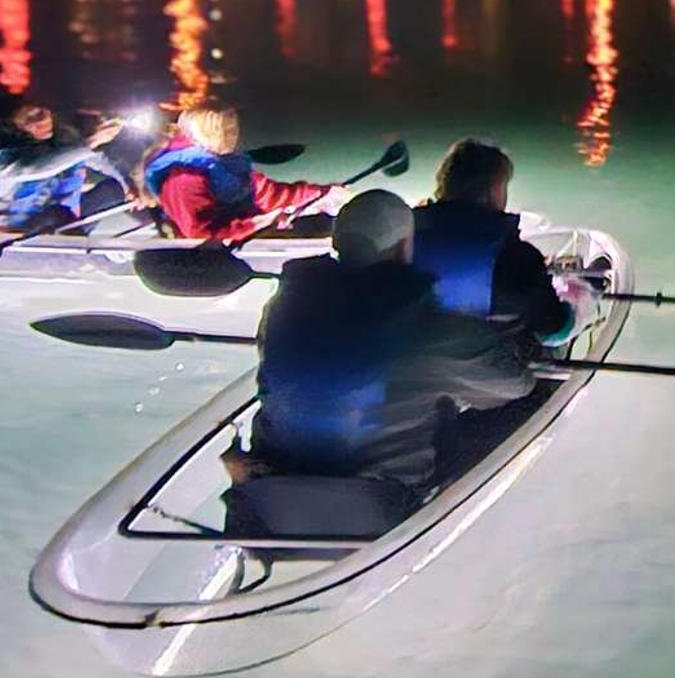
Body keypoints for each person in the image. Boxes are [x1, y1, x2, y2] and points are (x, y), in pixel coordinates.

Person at [243, 190, 537, 497]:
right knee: (525, 398)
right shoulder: (430, 327)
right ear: (403, 248)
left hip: (279, 479)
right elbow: (515, 384)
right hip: (385, 493)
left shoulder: (281, 308)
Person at [412, 138, 590, 346]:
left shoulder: (404, 234)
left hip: (409, 360)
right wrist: (577, 306)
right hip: (481, 369)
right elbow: (554, 328)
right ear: (493, 190)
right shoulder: (515, 256)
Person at [141, 101, 345, 240]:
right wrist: (259, 223)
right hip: (210, 254)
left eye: (232, 128)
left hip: (245, 231)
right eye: (219, 130)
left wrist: (322, 192)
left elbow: (271, 194)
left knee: (330, 222)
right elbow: (200, 233)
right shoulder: (184, 178)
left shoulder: (229, 164)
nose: (230, 135)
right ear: (196, 134)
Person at [0, 104, 129, 232]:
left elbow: (98, 159)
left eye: (44, 111)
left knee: (121, 188)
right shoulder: (2, 160)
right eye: (31, 117)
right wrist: (93, 141)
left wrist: (131, 186)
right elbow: (34, 168)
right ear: (12, 126)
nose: (43, 119)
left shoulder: (61, 138)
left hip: (62, 221)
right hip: (15, 230)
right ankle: (104, 258)